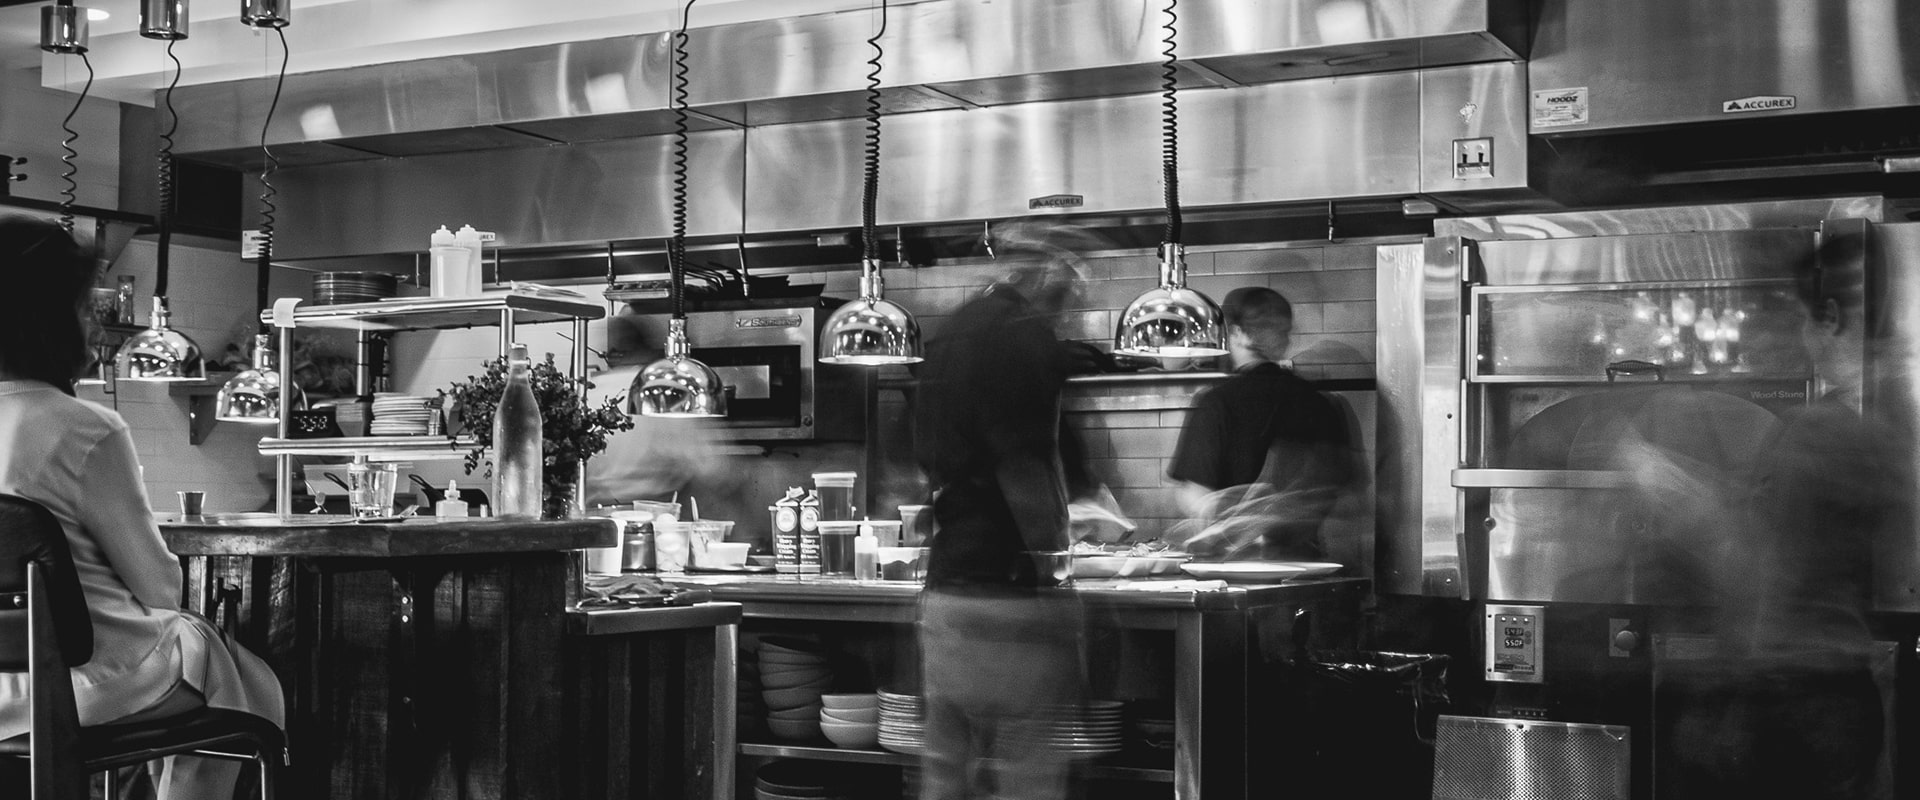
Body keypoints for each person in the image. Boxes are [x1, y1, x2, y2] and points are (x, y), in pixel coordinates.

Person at [0, 216, 285, 799]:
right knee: (248, 682)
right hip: (89, 685)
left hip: (5, 693)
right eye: (84, 308)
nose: (91, 326)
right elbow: (159, 589)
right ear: (50, 317)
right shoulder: (82, 428)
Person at [912, 220, 1096, 800]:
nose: (1070, 305)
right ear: (1046, 270)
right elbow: (1023, 468)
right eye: (1070, 287)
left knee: (946, 775)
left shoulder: (955, 332)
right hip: (1011, 598)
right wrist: (1056, 567)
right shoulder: (1023, 337)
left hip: (949, 592)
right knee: (1027, 778)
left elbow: (919, 461)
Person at [1166, 286, 1352, 560]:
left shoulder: (1216, 402)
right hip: (1303, 566)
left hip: (1232, 567)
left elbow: (1195, 493)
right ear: (1284, 336)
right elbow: (1345, 498)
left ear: (1237, 333)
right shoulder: (1321, 402)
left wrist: (1223, 513)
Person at [582, 312, 721, 507]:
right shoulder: (665, 392)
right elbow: (709, 469)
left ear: (612, 352)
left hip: (597, 513)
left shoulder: (591, 392)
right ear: (646, 348)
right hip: (656, 514)